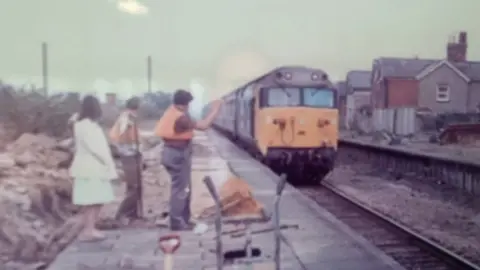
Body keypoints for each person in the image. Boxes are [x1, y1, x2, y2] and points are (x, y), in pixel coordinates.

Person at [154, 89, 222, 231]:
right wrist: (215, 110)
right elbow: (203, 126)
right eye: (189, 104)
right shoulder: (181, 118)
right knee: (180, 190)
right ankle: (177, 223)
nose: (189, 106)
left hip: (172, 153)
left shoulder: (172, 112)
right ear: (184, 104)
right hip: (177, 154)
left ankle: (184, 219)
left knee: (184, 188)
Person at [70, 95, 117, 241]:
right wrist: (108, 162)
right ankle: (88, 229)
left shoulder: (82, 124)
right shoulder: (87, 126)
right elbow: (97, 148)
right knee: (92, 200)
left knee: (96, 199)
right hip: (92, 167)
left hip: (89, 167)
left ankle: (90, 228)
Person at [109, 96, 143, 222]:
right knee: (133, 186)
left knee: (136, 186)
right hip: (128, 154)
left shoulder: (130, 117)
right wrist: (130, 147)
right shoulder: (126, 118)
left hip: (132, 154)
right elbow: (120, 136)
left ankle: (133, 213)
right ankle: (121, 214)